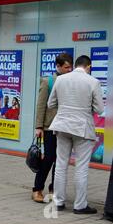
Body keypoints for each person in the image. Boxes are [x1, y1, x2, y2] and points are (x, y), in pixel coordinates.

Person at [48, 55, 104, 214]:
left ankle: (58, 202)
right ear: (88, 66)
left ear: (76, 65)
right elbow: (100, 109)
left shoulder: (60, 80)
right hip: (82, 128)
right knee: (81, 167)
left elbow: (50, 104)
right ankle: (80, 205)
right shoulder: (93, 81)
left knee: (60, 164)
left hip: (62, 125)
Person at [32, 53, 73, 203]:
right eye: (66, 67)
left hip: (65, 126)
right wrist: (38, 126)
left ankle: (54, 189)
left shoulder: (71, 81)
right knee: (48, 158)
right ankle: (37, 188)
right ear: (58, 67)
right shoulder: (48, 81)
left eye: (70, 67)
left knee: (60, 160)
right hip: (49, 127)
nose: (69, 70)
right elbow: (41, 104)